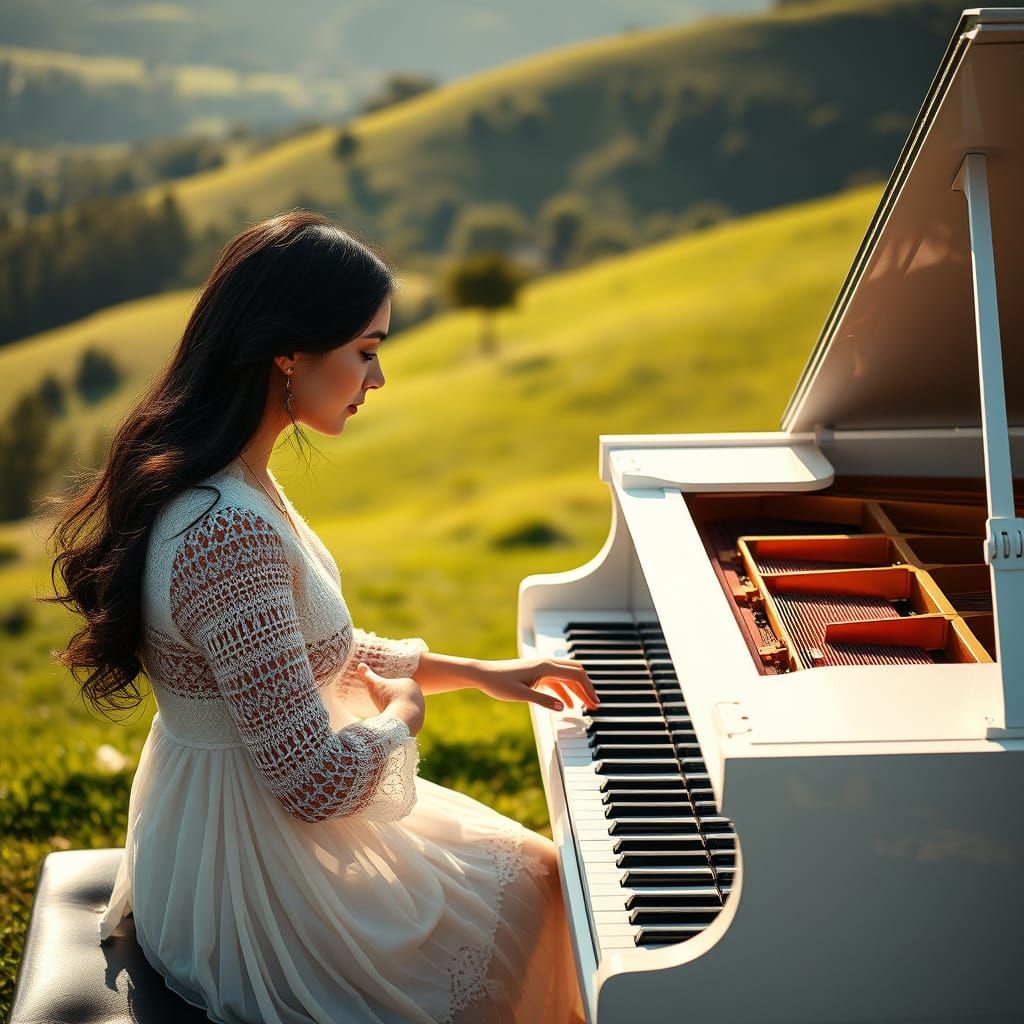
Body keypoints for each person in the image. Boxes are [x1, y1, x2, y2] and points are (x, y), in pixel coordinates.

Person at [42, 211, 598, 1024]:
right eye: (366, 351)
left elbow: (313, 655)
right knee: (544, 896)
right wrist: (404, 718)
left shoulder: (234, 486)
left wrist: (478, 674)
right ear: (288, 354)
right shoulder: (226, 531)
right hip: (249, 881)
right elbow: (314, 782)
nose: (377, 378)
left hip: (236, 832)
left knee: (540, 878)